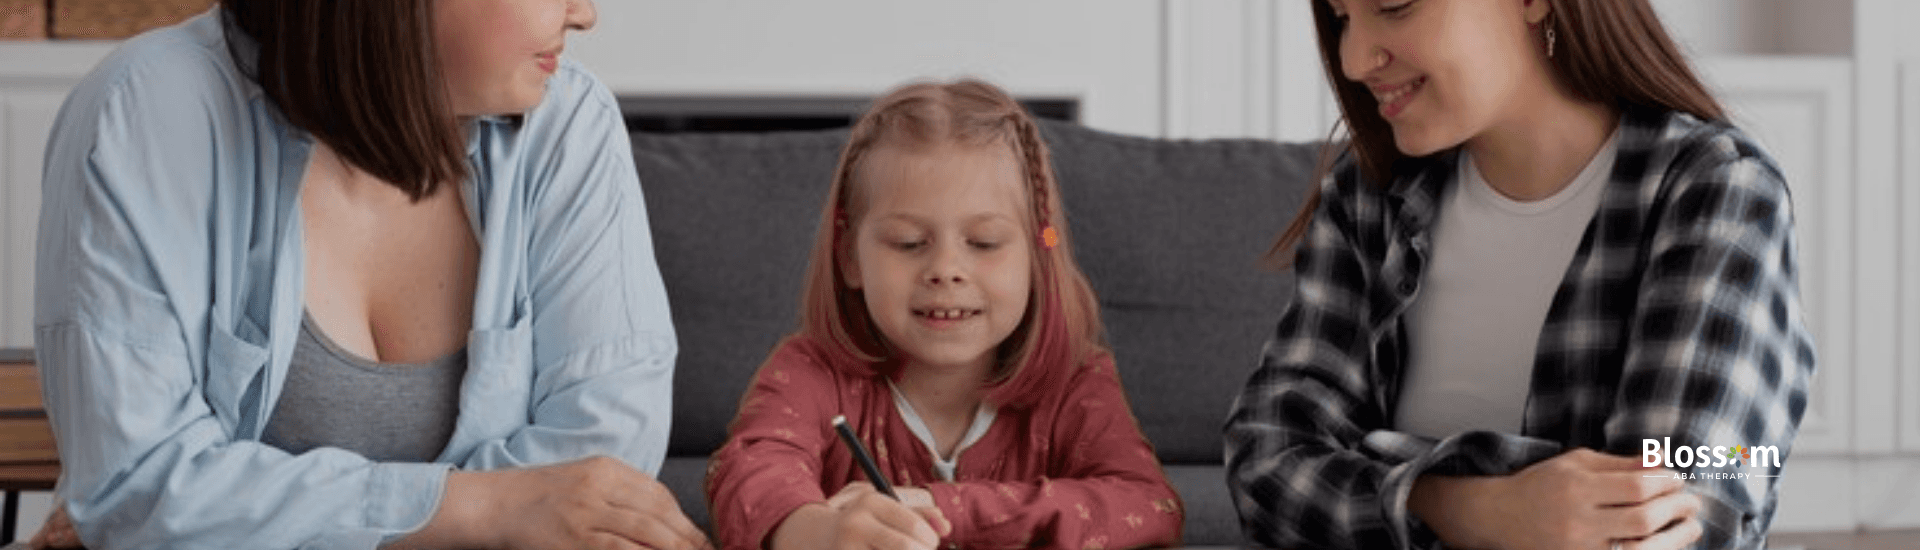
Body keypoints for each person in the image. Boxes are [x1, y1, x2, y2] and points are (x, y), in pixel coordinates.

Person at [31, 1, 710, 548]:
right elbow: (142, 487)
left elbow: (601, 474)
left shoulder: (568, 128)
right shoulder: (147, 111)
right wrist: (480, 511)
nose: (585, 13)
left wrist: (245, 516)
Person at [1224, 1, 1815, 549]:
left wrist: (1381, 470)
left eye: (1394, 5)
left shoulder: (1716, 189)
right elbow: (1265, 460)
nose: (1353, 59)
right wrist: (1482, 510)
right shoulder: (1366, 193)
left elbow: (1681, 499)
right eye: (1342, 16)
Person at [704, 79, 1184, 550]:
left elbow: (1149, 507)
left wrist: (945, 507)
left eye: (984, 243)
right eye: (909, 243)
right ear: (850, 256)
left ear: (1039, 258)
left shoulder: (1076, 380)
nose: (945, 271)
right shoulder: (811, 371)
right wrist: (815, 533)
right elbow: (749, 470)